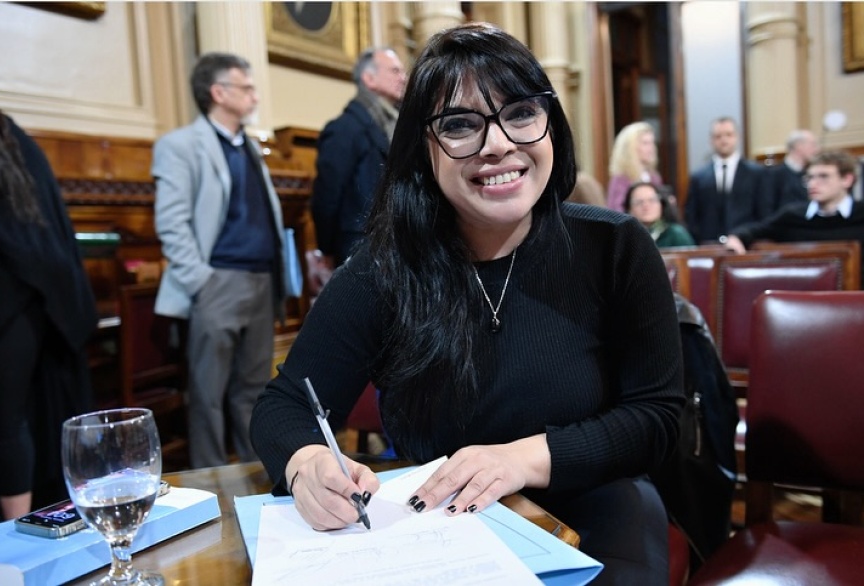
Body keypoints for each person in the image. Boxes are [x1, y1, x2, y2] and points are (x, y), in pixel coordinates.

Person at [251, 23, 684, 584]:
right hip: (441, 527)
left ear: (551, 125)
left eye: (522, 113)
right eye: (460, 125)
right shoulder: (384, 270)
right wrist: (306, 462)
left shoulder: (615, 246)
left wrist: (516, 460)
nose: (499, 143)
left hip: (597, 504)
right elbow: (284, 404)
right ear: (421, 149)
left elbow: (656, 419)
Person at [152, 52, 289, 469]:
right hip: (218, 281)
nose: (254, 95)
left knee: (254, 387)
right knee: (208, 393)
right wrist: (201, 281)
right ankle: (209, 478)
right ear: (218, 93)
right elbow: (171, 222)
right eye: (246, 87)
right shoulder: (180, 146)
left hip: (262, 279)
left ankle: (254, 470)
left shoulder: (249, 145)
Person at [0, 98, 97, 524]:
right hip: (32, 293)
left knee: (4, 424)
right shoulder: (6, 130)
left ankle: (8, 536)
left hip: (5, 299)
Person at [310, 47, 407, 268]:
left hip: (394, 242)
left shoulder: (394, 123)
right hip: (360, 246)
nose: (403, 78)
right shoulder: (345, 129)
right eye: (395, 71)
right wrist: (326, 248)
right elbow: (327, 196)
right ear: (369, 78)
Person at [722, 150, 864, 283]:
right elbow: (755, 230)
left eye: (823, 176)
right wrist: (736, 237)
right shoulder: (793, 216)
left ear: (847, 180)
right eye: (809, 177)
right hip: (804, 297)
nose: (813, 184)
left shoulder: (860, 215)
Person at [684, 116, 768, 243]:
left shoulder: (757, 174)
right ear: (711, 140)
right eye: (718, 136)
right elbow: (692, 216)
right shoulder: (699, 177)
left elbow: (764, 214)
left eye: (729, 135)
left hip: (746, 245)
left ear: (737, 137)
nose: (724, 140)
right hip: (709, 245)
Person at [606, 121, 662, 212]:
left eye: (652, 143)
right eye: (645, 143)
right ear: (630, 148)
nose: (651, 148)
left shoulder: (654, 177)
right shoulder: (621, 180)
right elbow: (615, 212)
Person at [623, 181, 695, 248]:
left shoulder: (676, 234)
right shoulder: (624, 237)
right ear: (629, 208)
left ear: (661, 204)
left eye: (652, 200)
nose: (646, 206)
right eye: (639, 202)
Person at [766, 129, 819, 211]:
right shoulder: (773, 175)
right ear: (799, 146)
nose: (817, 150)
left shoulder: (810, 174)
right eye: (813, 145)